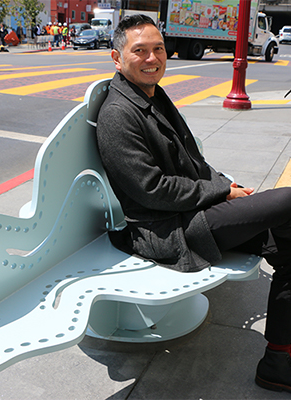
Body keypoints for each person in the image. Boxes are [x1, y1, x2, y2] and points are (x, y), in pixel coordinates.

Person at [97, 14, 291, 393]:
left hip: (194, 212)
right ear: (117, 59)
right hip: (168, 228)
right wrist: (221, 194)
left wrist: (225, 184)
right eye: (139, 51)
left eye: (157, 49)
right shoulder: (118, 114)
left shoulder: (151, 95)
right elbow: (152, 190)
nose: (152, 57)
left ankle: (278, 360)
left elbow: (194, 162)